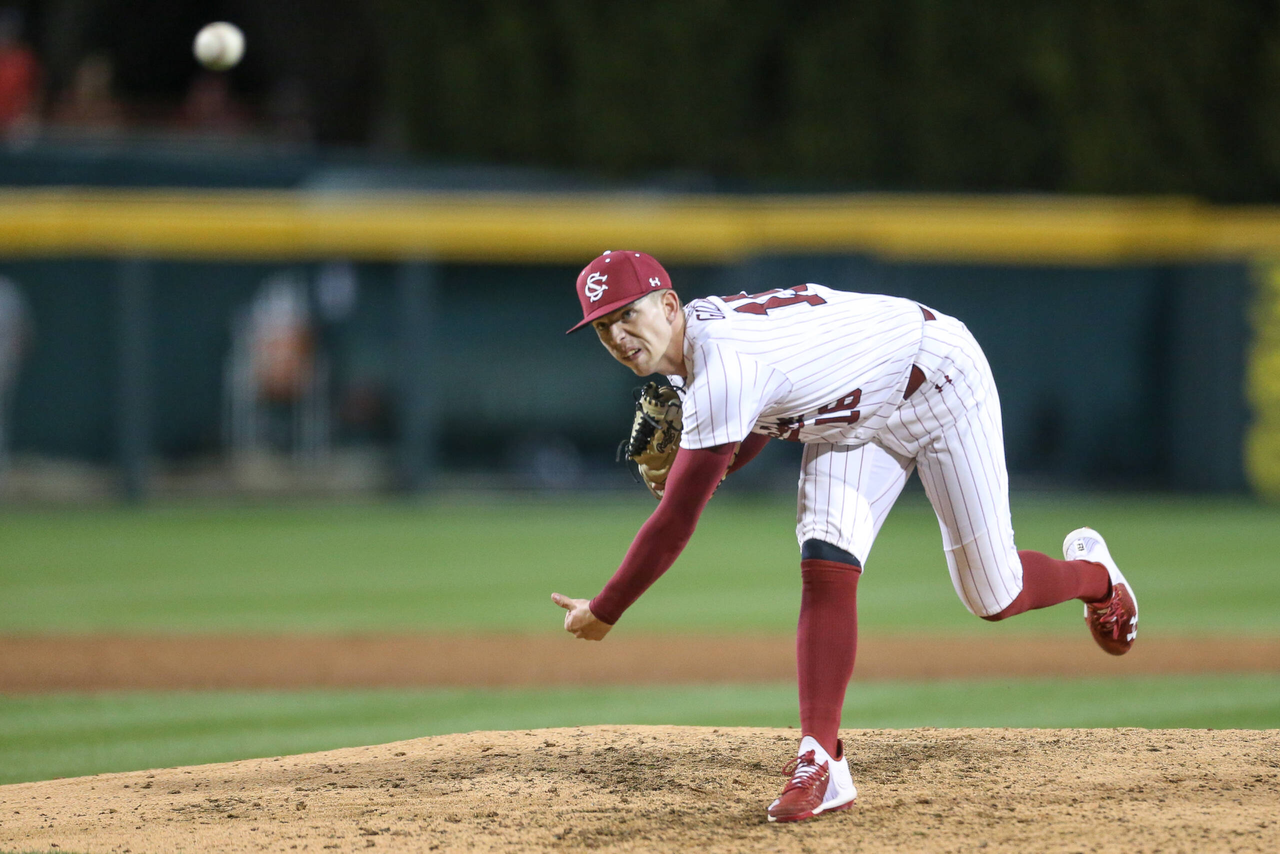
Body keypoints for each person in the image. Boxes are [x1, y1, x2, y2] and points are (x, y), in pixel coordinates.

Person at [550, 250, 1139, 823]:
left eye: (628, 314)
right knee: (826, 562)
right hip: (854, 418)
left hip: (938, 380)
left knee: (995, 595)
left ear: (669, 306)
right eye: (602, 326)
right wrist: (713, 464)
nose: (618, 335)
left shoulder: (723, 363)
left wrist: (605, 609)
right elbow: (767, 415)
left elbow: (676, 521)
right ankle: (822, 761)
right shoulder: (696, 353)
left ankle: (1097, 579)